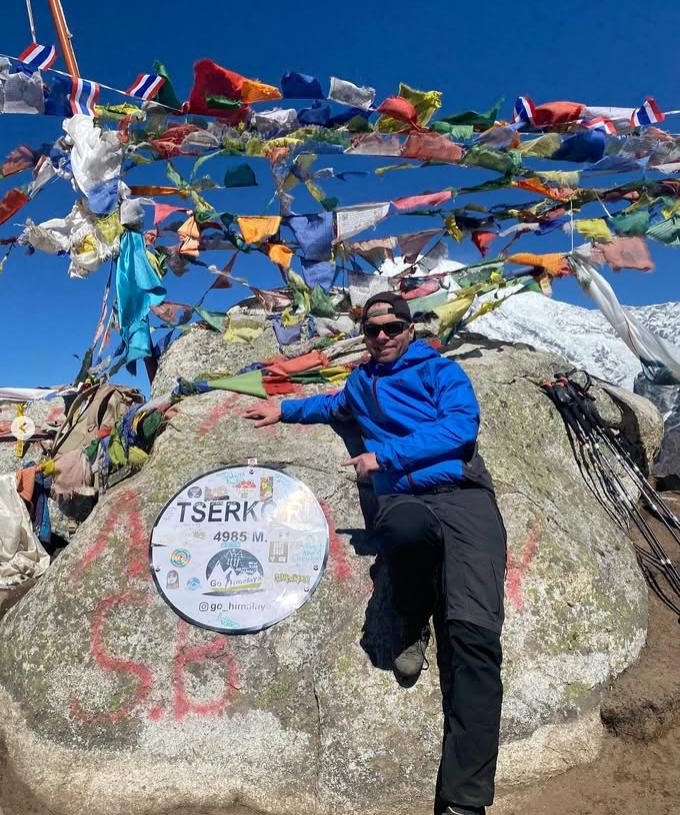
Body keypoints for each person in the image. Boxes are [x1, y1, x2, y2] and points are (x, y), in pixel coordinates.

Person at [245, 292, 506, 815]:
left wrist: (384, 455)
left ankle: (464, 801)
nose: (383, 336)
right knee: (402, 531)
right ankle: (412, 619)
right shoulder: (361, 382)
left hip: (463, 496)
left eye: (392, 327)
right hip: (407, 501)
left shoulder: (441, 372)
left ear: (410, 329)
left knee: (475, 640)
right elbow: (329, 405)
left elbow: (460, 427)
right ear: (363, 336)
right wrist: (284, 409)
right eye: (373, 330)